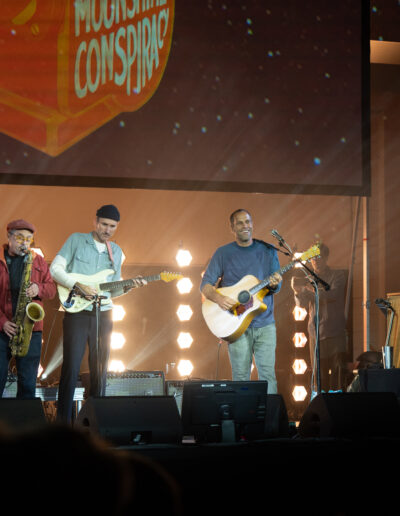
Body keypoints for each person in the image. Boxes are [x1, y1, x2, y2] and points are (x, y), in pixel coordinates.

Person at [50, 205, 144, 423]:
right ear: (95, 222)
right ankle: (62, 425)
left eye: (112, 226)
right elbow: (55, 269)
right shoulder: (76, 240)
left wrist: (129, 286)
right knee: (71, 367)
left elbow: (112, 289)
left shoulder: (117, 251)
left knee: (100, 370)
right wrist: (77, 285)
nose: (107, 230)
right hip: (77, 311)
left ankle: (95, 424)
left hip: (104, 312)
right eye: (104, 224)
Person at [200, 209, 282, 393]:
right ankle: (242, 413)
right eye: (240, 223)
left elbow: (277, 286)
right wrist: (219, 298)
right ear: (232, 228)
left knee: (268, 376)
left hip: (265, 324)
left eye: (248, 222)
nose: (245, 226)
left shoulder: (268, 250)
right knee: (240, 377)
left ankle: (268, 413)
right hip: (236, 325)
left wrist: (276, 283)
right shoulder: (223, 253)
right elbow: (205, 285)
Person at [0, 219, 56, 398]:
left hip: (30, 330)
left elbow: (52, 290)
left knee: (28, 385)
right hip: (2, 329)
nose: (24, 243)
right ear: (9, 236)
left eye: (28, 239)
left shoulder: (37, 260)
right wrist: (2, 322)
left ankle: (23, 417)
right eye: (20, 238)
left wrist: (38, 288)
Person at [291, 243, 347, 391]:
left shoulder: (337, 275)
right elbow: (302, 304)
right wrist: (296, 292)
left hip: (335, 333)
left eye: (319, 257)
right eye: (313, 257)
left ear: (326, 258)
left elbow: (334, 294)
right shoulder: (308, 279)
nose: (315, 260)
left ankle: (338, 403)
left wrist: (312, 290)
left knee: (338, 375)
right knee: (319, 376)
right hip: (316, 334)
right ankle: (320, 402)